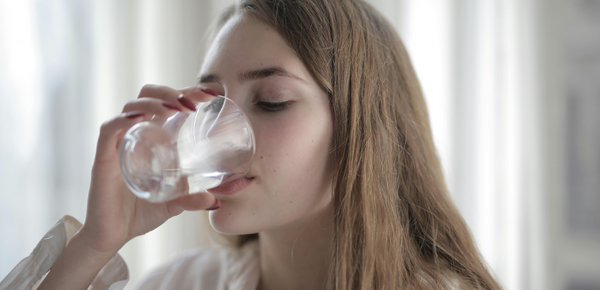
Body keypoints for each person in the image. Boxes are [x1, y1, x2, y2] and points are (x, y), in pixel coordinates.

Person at [1, 0, 502, 289]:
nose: (218, 135)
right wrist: (94, 245)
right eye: (212, 103)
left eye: (272, 100)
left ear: (361, 128)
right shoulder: (184, 284)